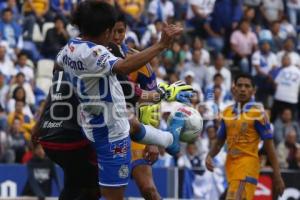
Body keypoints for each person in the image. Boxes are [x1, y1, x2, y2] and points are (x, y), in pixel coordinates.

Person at [56, 1, 187, 199]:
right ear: (106, 31)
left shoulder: (69, 47)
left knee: (131, 122)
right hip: (111, 136)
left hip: (91, 118)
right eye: (113, 31)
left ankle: (169, 138)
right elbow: (123, 67)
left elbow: (58, 66)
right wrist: (160, 45)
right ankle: (168, 138)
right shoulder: (96, 53)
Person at [205, 74, 285, 199]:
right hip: (231, 168)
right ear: (234, 88)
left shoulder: (258, 114)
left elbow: (269, 146)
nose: (243, 89)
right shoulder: (226, 112)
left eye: (247, 86)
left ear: (253, 90)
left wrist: (277, 175)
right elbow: (220, 141)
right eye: (240, 85)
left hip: (248, 167)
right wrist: (210, 155)